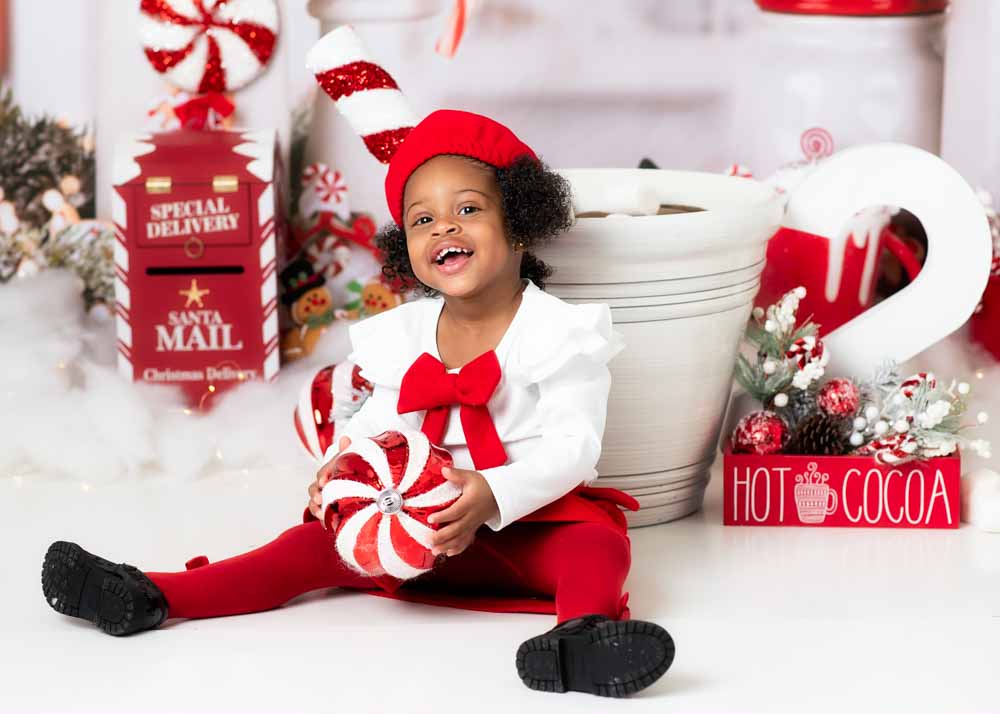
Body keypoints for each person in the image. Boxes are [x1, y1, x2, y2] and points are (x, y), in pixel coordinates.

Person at [41, 52, 675, 700]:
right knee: (298, 549)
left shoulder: (558, 333)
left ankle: (582, 639)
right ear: (410, 250)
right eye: (423, 219)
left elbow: (576, 448)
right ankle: (152, 594)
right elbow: (378, 420)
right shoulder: (401, 336)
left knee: (598, 546)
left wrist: (490, 492)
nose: (444, 227)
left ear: (519, 226)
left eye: (467, 209)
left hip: (518, 528)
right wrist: (341, 469)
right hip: (405, 532)